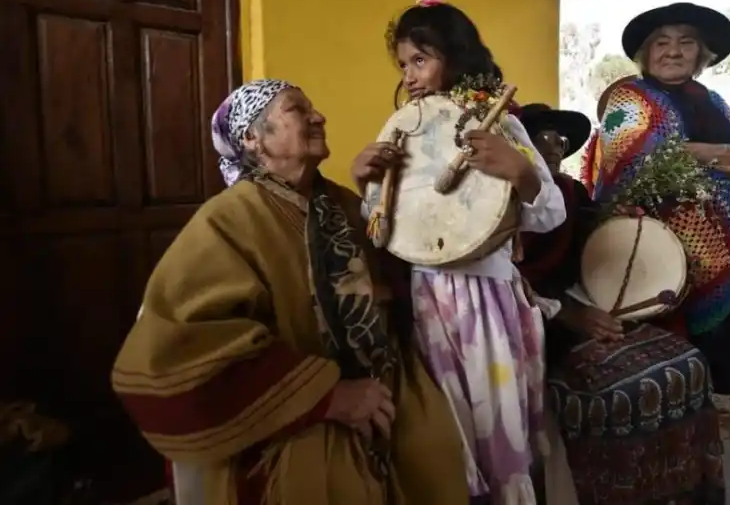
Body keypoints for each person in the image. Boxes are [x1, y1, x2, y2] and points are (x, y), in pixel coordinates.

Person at [111, 80, 469, 505]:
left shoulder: (342, 205)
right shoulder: (228, 220)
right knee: (331, 482)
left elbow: (398, 284)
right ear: (252, 138)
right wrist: (328, 397)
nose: (319, 116)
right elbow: (178, 347)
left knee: (436, 445)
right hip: (293, 402)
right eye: (298, 109)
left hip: (384, 380)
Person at [352, 0, 566, 504]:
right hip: (426, 301)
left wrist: (519, 171)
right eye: (403, 64)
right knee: (447, 429)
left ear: (456, 55)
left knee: (496, 426)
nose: (410, 75)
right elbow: (384, 228)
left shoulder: (500, 126)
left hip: (485, 303)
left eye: (420, 60)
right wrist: (364, 182)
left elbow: (550, 212)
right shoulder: (406, 131)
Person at [517, 103, 725, 505]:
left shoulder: (569, 191)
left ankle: (684, 488)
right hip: (531, 315)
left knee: (689, 362)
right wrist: (569, 315)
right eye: (542, 140)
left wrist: (619, 222)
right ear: (519, 149)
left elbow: (590, 237)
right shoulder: (502, 200)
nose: (555, 150)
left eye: (560, 142)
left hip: (579, 301)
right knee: (620, 391)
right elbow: (510, 282)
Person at [592, 2, 730, 396]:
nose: (673, 51)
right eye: (661, 42)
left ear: (701, 55)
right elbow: (630, 158)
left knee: (719, 368)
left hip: (728, 247)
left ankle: (713, 422)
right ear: (646, 53)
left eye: (686, 43)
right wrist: (713, 155)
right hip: (653, 248)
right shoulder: (628, 97)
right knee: (670, 372)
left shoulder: (712, 100)